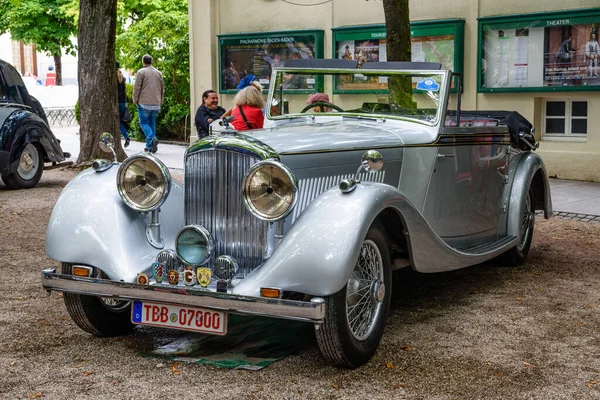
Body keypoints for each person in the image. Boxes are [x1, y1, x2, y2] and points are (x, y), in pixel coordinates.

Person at [133, 54, 164, 153]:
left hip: (144, 102)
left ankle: (151, 138)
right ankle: (149, 146)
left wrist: (135, 99)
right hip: (156, 103)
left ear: (143, 61)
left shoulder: (141, 72)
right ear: (151, 61)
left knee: (144, 122)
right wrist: (161, 102)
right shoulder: (159, 73)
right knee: (152, 123)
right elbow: (162, 89)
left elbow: (137, 87)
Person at [116, 62, 130, 148]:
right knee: (120, 120)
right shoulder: (123, 78)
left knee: (118, 121)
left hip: (117, 102)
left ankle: (126, 136)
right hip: (123, 102)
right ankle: (126, 136)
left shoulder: (113, 78)